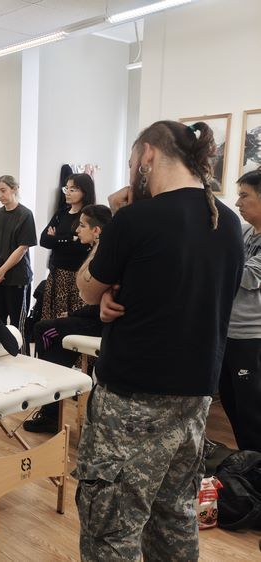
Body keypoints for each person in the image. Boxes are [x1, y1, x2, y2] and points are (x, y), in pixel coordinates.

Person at [74, 120, 244, 561]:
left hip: (132, 401)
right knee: (175, 520)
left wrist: (113, 220)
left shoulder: (135, 219)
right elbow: (175, 289)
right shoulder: (227, 222)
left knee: (111, 530)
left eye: (133, 160)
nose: (133, 170)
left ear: (148, 154)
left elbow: (87, 287)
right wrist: (118, 292)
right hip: (195, 401)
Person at [22, 204, 112, 434]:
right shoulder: (98, 250)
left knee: (44, 331)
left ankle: (51, 401)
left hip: (99, 322)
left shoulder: (104, 254)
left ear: (96, 231)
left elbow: (97, 303)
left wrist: (72, 315)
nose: (77, 230)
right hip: (93, 317)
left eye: (82, 226)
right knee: (48, 335)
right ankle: (52, 401)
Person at [219, 167, 261, 452]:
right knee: (231, 402)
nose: (237, 203)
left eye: (244, 196)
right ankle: (248, 462)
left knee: (252, 411)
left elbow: (246, 276)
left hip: (251, 338)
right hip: (228, 332)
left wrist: (215, 259)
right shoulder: (245, 232)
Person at [0, 175, 37, 329]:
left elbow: (22, 247)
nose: (0, 195)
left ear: (15, 189)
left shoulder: (25, 214)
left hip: (16, 278)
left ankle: (18, 347)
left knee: (17, 325)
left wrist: (2, 271)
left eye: (3, 190)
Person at [39, 173, 96, 321]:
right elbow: (44, 240)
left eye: (73, 189)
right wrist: (69, 238)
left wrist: (56, 239)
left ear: (85, 191)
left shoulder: (88, 215)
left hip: (77, 275)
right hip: (57, 273)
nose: (68, 193)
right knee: (52, 319)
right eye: (67, 188)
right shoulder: (61, 213)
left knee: (73, 319)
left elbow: (81, 246)